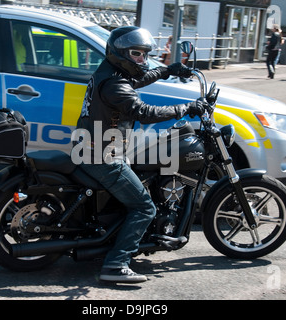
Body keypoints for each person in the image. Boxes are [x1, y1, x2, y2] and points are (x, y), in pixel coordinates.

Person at [72, 26, 206, 283]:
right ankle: (116, 264)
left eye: (145, 54)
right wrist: (186, 108)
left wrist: (168, 70)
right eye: (137, 54)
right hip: (103, 156)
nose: (142, 60)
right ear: (121, 53)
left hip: (95, 147)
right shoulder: (113, 83)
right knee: (144, 207)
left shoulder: (110, 72)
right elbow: (142, 111)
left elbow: (138, 79)